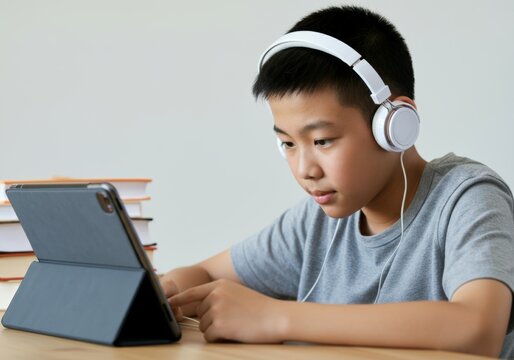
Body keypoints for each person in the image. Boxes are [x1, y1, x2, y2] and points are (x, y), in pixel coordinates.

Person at [160, 5, 514, 357]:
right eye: (287, 143)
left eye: (322, 141)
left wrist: (279, 317)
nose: (304, 169)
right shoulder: (314, 224)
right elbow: (204, 273)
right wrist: (166, 290)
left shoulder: (466, 197)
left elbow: (478, 328)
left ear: (395, 125)